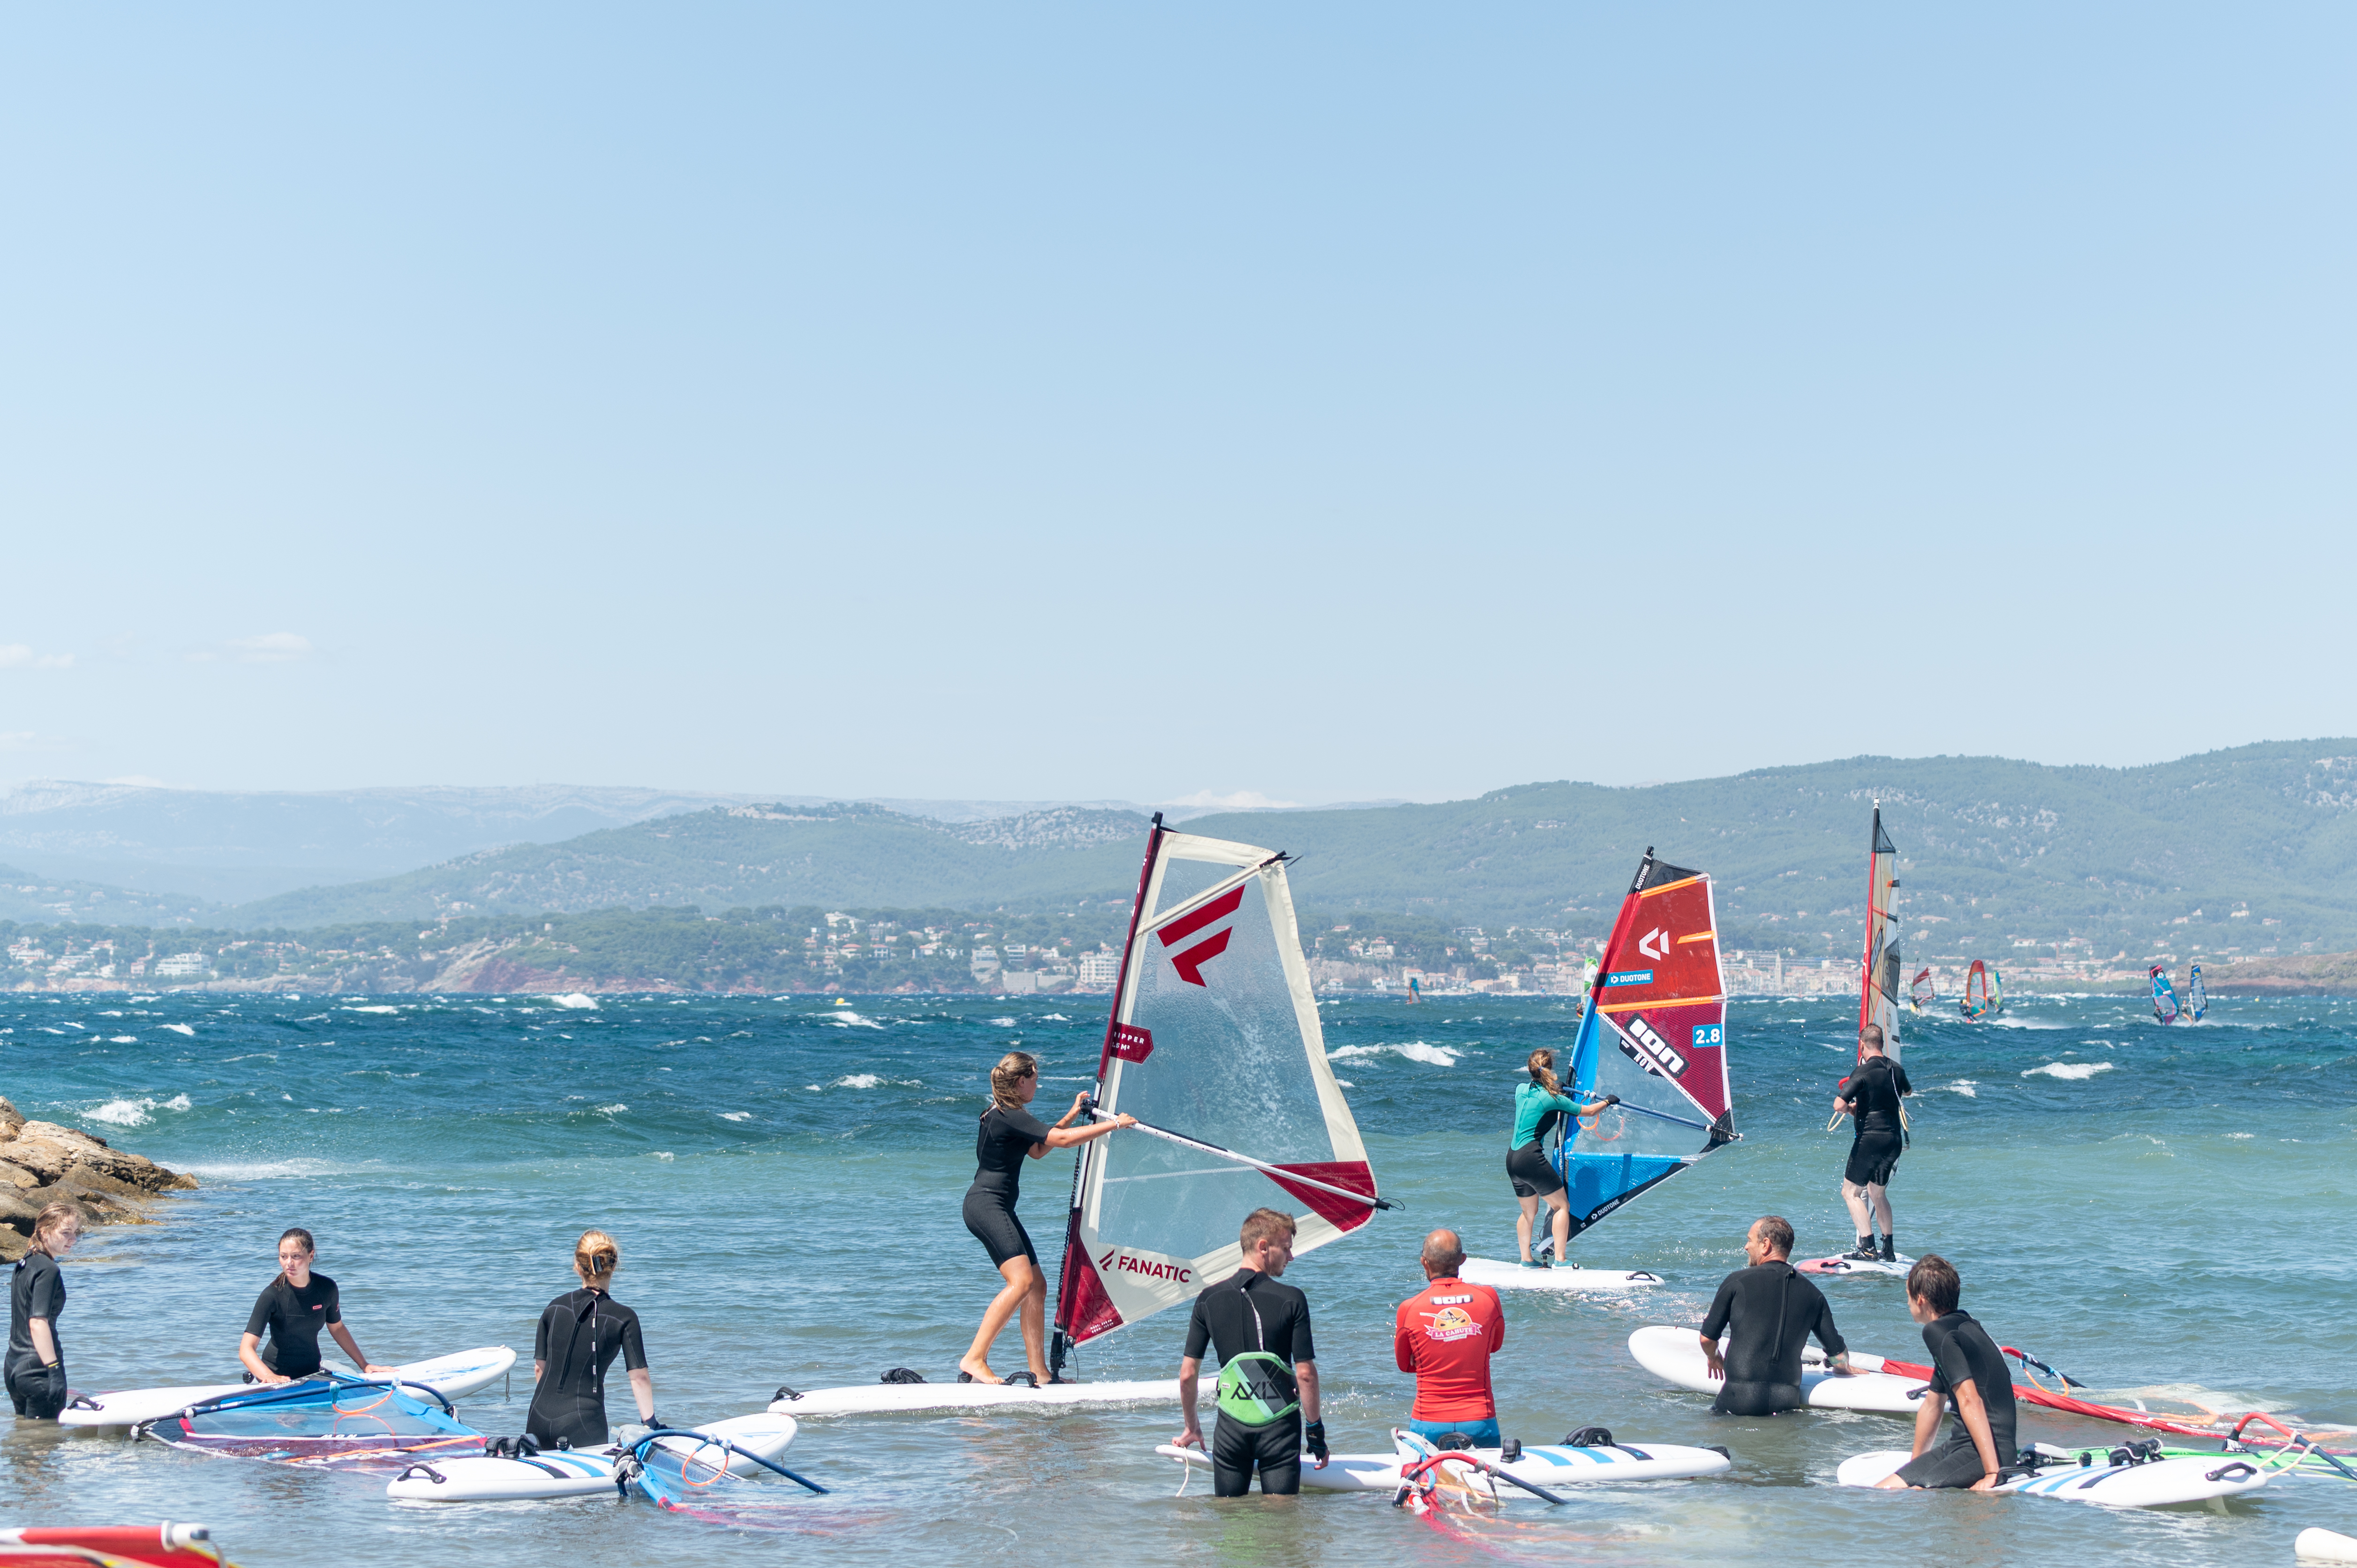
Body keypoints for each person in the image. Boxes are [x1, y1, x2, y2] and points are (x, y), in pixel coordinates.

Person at [959, 1050, 1134, 1385]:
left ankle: (1040, 1373)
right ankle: (975, 1358)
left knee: (1036, 1286)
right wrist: (1114, 1124)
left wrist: (1069, 1115)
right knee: (1021, 1282)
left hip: (993, 1206)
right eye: (1035, 1079)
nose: (1037, 1085)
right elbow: (1064, 1142)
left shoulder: (1001, 1114)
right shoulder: (1011, 1115)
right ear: (1022, 1080)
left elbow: (1039, 1150)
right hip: (987, 1205)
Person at [1175, 1208, 1327, 1497]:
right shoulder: (1292, 1299)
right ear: (1263, 1247)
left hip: (1231, 1429)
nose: (1291, 1257)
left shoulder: (1208, 1299)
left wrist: (1192, 1427)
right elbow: (1305, 1374)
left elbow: (1187, 1375)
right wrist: (1315, 1431)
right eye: (1286, 1248)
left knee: (1231, 1521)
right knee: (1280, 1524)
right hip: (1279, 1430)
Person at [1875, 1254, 2015, 1491]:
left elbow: (1970, 1400)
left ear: (1920, 1300)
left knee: (1916, 1495)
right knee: (1882, 1491)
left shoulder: (1936, 1331)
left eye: (1907, 1297)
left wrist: (1992, 1472)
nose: (1908, 1304)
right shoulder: (1965, 1325)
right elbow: (1932, 1405)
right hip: (1960, 1445)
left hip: (1987, 1450)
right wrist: (1916, 1468)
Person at [1697, 1215, 1852, 1416]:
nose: (1746, 1247)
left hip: (1737, 1401)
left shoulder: (1737, 1282)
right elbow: (1838, 1357)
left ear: (1765, 1245)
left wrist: (1714, 1358)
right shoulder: (1814, 1294)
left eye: (1750, 1240)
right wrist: (1845, 1368)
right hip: (1787, 1404)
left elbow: (1707, 1339)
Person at [527, 1229, 657, 1448]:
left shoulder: (553, 1308)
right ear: (613, 1266)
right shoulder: (624, 1317)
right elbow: (639, 1378)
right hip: (583, 1424)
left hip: (537, 1419)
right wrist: (651, 1425)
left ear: (577, 1267)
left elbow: (540, 1370)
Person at [238, 1228, 396, 1384]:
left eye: (296, 1256)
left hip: (312, 1373)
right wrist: (268, 1375)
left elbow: (338, 1328)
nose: (289, 1263)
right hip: (277, 1377)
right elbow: (246, 1349)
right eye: (284, 1257)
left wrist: (365, 1365)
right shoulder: (272, 1295)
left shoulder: (327, 1288)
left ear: (311, 1256)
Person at [1394, 1228, 1506, 1449]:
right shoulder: (1489, 1298)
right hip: (1480, 1421)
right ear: (1463, 1260)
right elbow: (1495, 1346)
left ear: (1424, 1263)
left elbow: (1405, 1365)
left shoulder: (1409, 1308)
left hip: (1428, 1423)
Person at [1507, 1048, 1612, 1266]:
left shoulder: (1520, 1090)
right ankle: (1561, 1260)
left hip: (1512, 1158)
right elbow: (1590, 1111)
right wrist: (1609, 1102)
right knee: (1562, 1206)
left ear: (1530, 1070)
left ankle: (1526, 1260)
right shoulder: (1553, 1099)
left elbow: (1541, 1098)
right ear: (1550, 1067)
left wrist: (1558, 1091)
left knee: (1529, 1212)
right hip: (1530, 1158)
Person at [1832, 1023, 1913, 1262]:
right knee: (1878, 1194)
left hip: (1871, 1140)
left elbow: (1838, 1105)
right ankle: (1888, 1250)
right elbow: (1907, 1092)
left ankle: (1867, 1249)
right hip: (1893, 1140)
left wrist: (1850, 1109)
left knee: (1850, 1193)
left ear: (1862, 1045)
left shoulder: (1863, 1071)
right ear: (1883, 1044)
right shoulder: (1896, 1069)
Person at [7, 1204, 81, 1421]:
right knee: (46, 1442)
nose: (73, 1239)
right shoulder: (49, 1269)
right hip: (39, 1370)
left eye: (75, 1232)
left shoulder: (25, 1262)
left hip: (14, 1367)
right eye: (66, 1233)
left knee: (26, 1443)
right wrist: (54, 1369)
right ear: (44, 1232)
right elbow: (37, 1323)